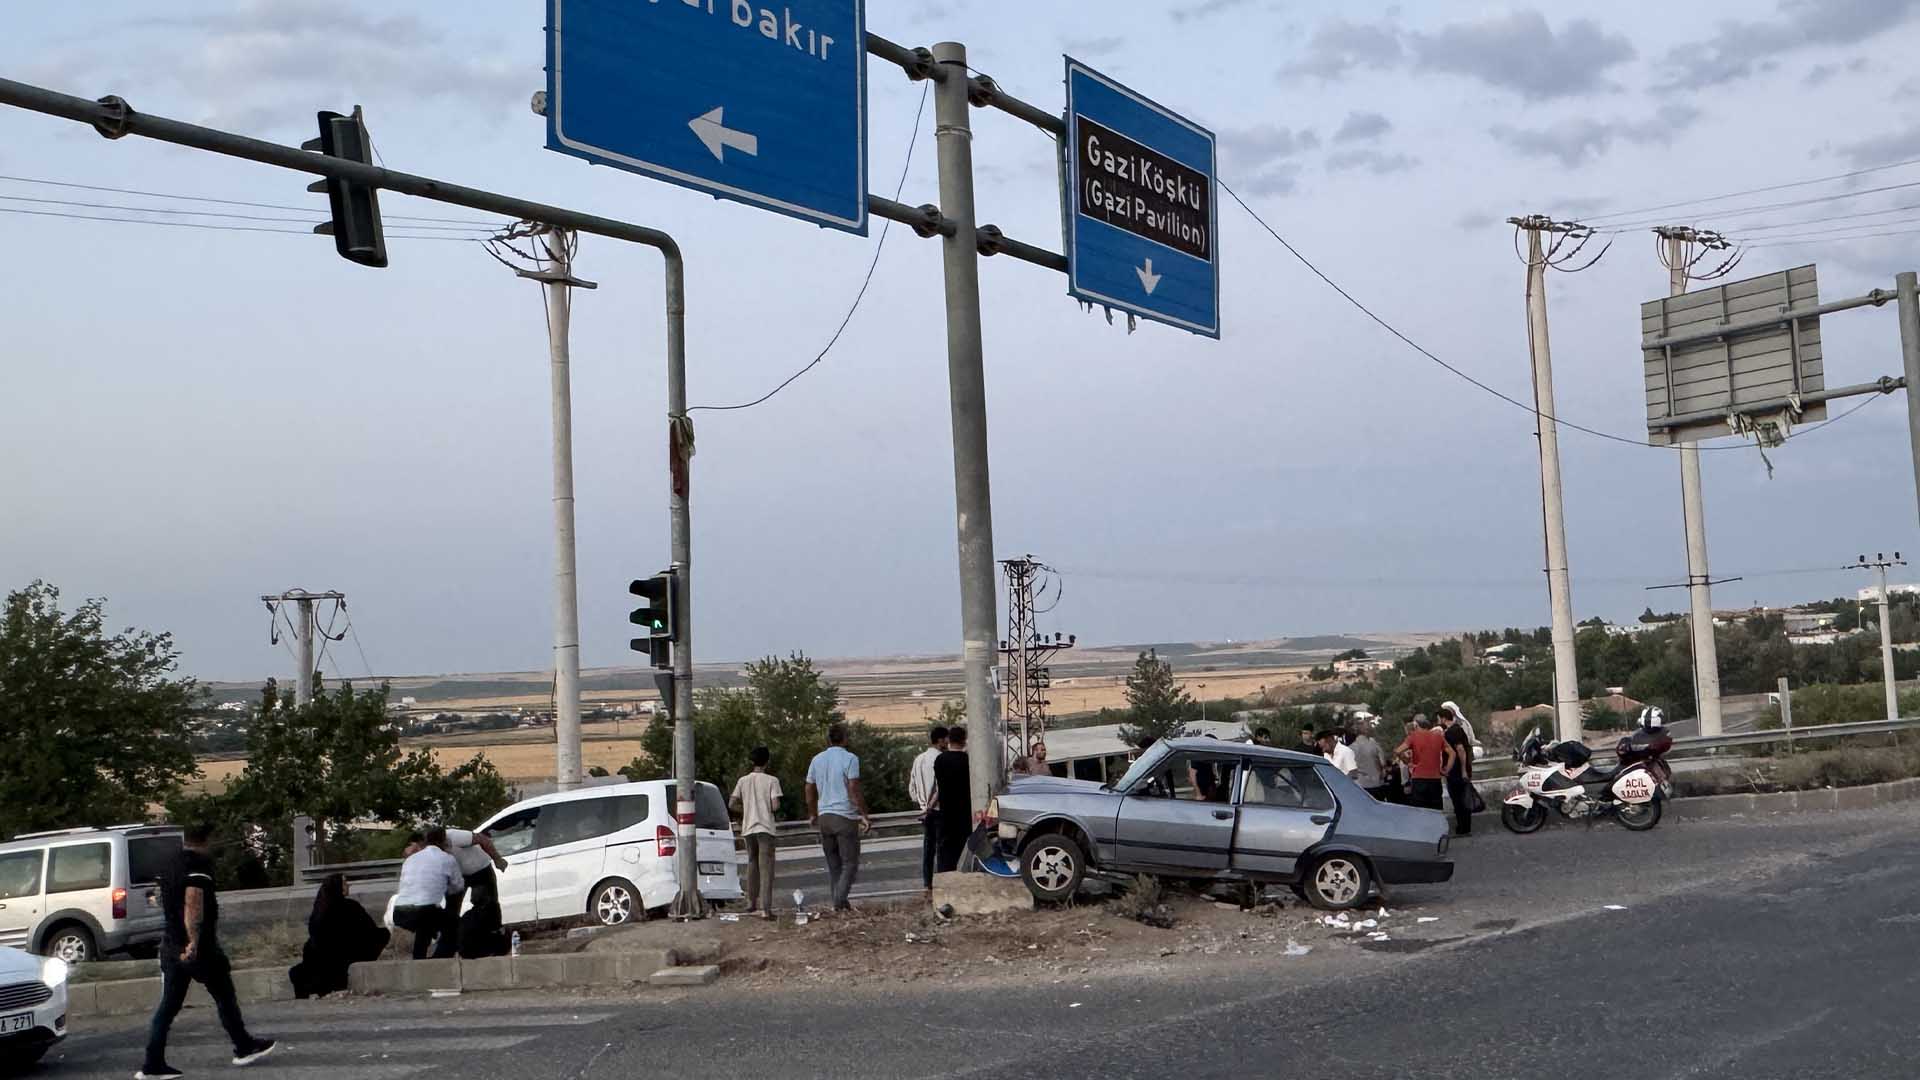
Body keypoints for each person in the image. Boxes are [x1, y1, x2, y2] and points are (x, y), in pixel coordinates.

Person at [139, 823, 275, 1079]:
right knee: (225, 996)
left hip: (169, 945)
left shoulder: (170, 864)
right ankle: (243, 1046)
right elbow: (193, 904)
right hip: (199, 948)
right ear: (206, 841)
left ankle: (152, 1064)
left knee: (167, 1007)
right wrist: (193, 941)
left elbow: (159, 898)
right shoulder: (198, 867)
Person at [288, 873, 390, 999]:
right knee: (383, 933)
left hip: (320, 956)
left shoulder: (320, 908)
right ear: (338, 887)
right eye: (345, 883)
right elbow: (370, 930)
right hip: (346, 954)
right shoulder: (351, 906)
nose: (348, 885)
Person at [806, 723, 871, 911]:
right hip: (844, 816)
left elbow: (809, 788)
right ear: (845, 738)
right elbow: (854, 788)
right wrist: (864, 814)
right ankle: (839, 900)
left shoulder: (817, 759)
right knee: (850, 863)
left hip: (824, 817)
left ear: (828, 739)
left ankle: (841, 905)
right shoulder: (850, 759)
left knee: (834, 865)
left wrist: (812, 813)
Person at [389, 827, 465, 959]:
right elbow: (458, 887)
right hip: (424, 912)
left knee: (426, 925)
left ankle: (419, 960)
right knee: (455, 925)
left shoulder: (410, 859)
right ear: (444, 841)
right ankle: (440, 960)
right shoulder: (447, 859)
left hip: (400, 912)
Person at [730, 745, 784, 918]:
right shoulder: (772, 781)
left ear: (752, 762)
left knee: (752, 863)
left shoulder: (743, 781)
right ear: (767, 761)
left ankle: (751, 902)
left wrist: (747, 811)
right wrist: (766, 807)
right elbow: (775, 805)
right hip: (765, 828)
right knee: (766, 868)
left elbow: (732, 803)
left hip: (748, 828)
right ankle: (766, 909)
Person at [908, 726, 948, 892]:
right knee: (942, 848)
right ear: (940, 740)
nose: (947, 742)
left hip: (924, 810)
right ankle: (941, 883)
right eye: (945, 739)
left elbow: (912, 788)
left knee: (928, 847)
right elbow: (941, 787)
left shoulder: (918, 759)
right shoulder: (941, 759)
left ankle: (927, 883)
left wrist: (922, 805)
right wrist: (932, 805)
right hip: (938, 809)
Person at [933, 726, 973, 872]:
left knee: (947, 850)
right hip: (965, 811)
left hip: (946, 810)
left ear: (949, 740)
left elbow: (939, 785)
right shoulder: (969, 761)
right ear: (964, 740)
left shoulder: (940, 760)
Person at [1396, 714, 1447, 811]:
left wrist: (1407, 762)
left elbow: (1398, 752)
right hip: (1435, 778)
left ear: (1416, 725)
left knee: (1421, 810)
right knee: (1436, 809)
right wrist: (1446, 769)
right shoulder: (1436, 736)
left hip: (1419, 779)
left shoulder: (1412, 739)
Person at [1440, 707, 1476, 836]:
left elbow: (1460, 750)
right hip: (1458, 771)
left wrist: (1463, 770)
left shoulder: (1452, 732)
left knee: (1459, 800)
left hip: (1456, 772)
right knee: (1461, 799)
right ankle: (1464, 827)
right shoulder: (1456, 730)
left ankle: (1463, 828)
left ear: (1443, 718)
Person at [1348, 723, 1390, 801]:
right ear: (1366, 731)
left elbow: (1350, 770)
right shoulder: (1375, 745)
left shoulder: (1351, 748)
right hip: (1377, 783)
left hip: (1361, 784)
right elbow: (1383, 763)